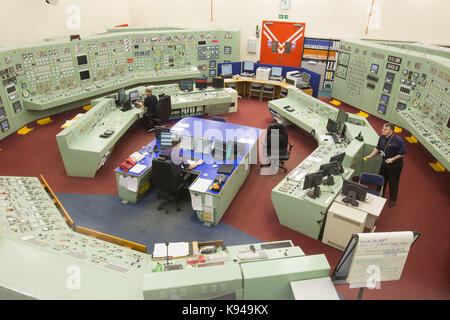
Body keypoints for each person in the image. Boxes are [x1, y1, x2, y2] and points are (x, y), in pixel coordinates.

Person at [364, 123, 407, 207]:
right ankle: (379, 195)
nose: (382, 130)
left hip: (395, 164)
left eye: (385, 129)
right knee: (381, 178)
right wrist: (370, 156)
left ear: (391, 131)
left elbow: (403, 153)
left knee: (393, 182)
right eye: (383, 128)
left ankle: (392, 200)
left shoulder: (398, 140)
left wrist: (393, 159)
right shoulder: (382, 138)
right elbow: (378, 148)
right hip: (384, 162)